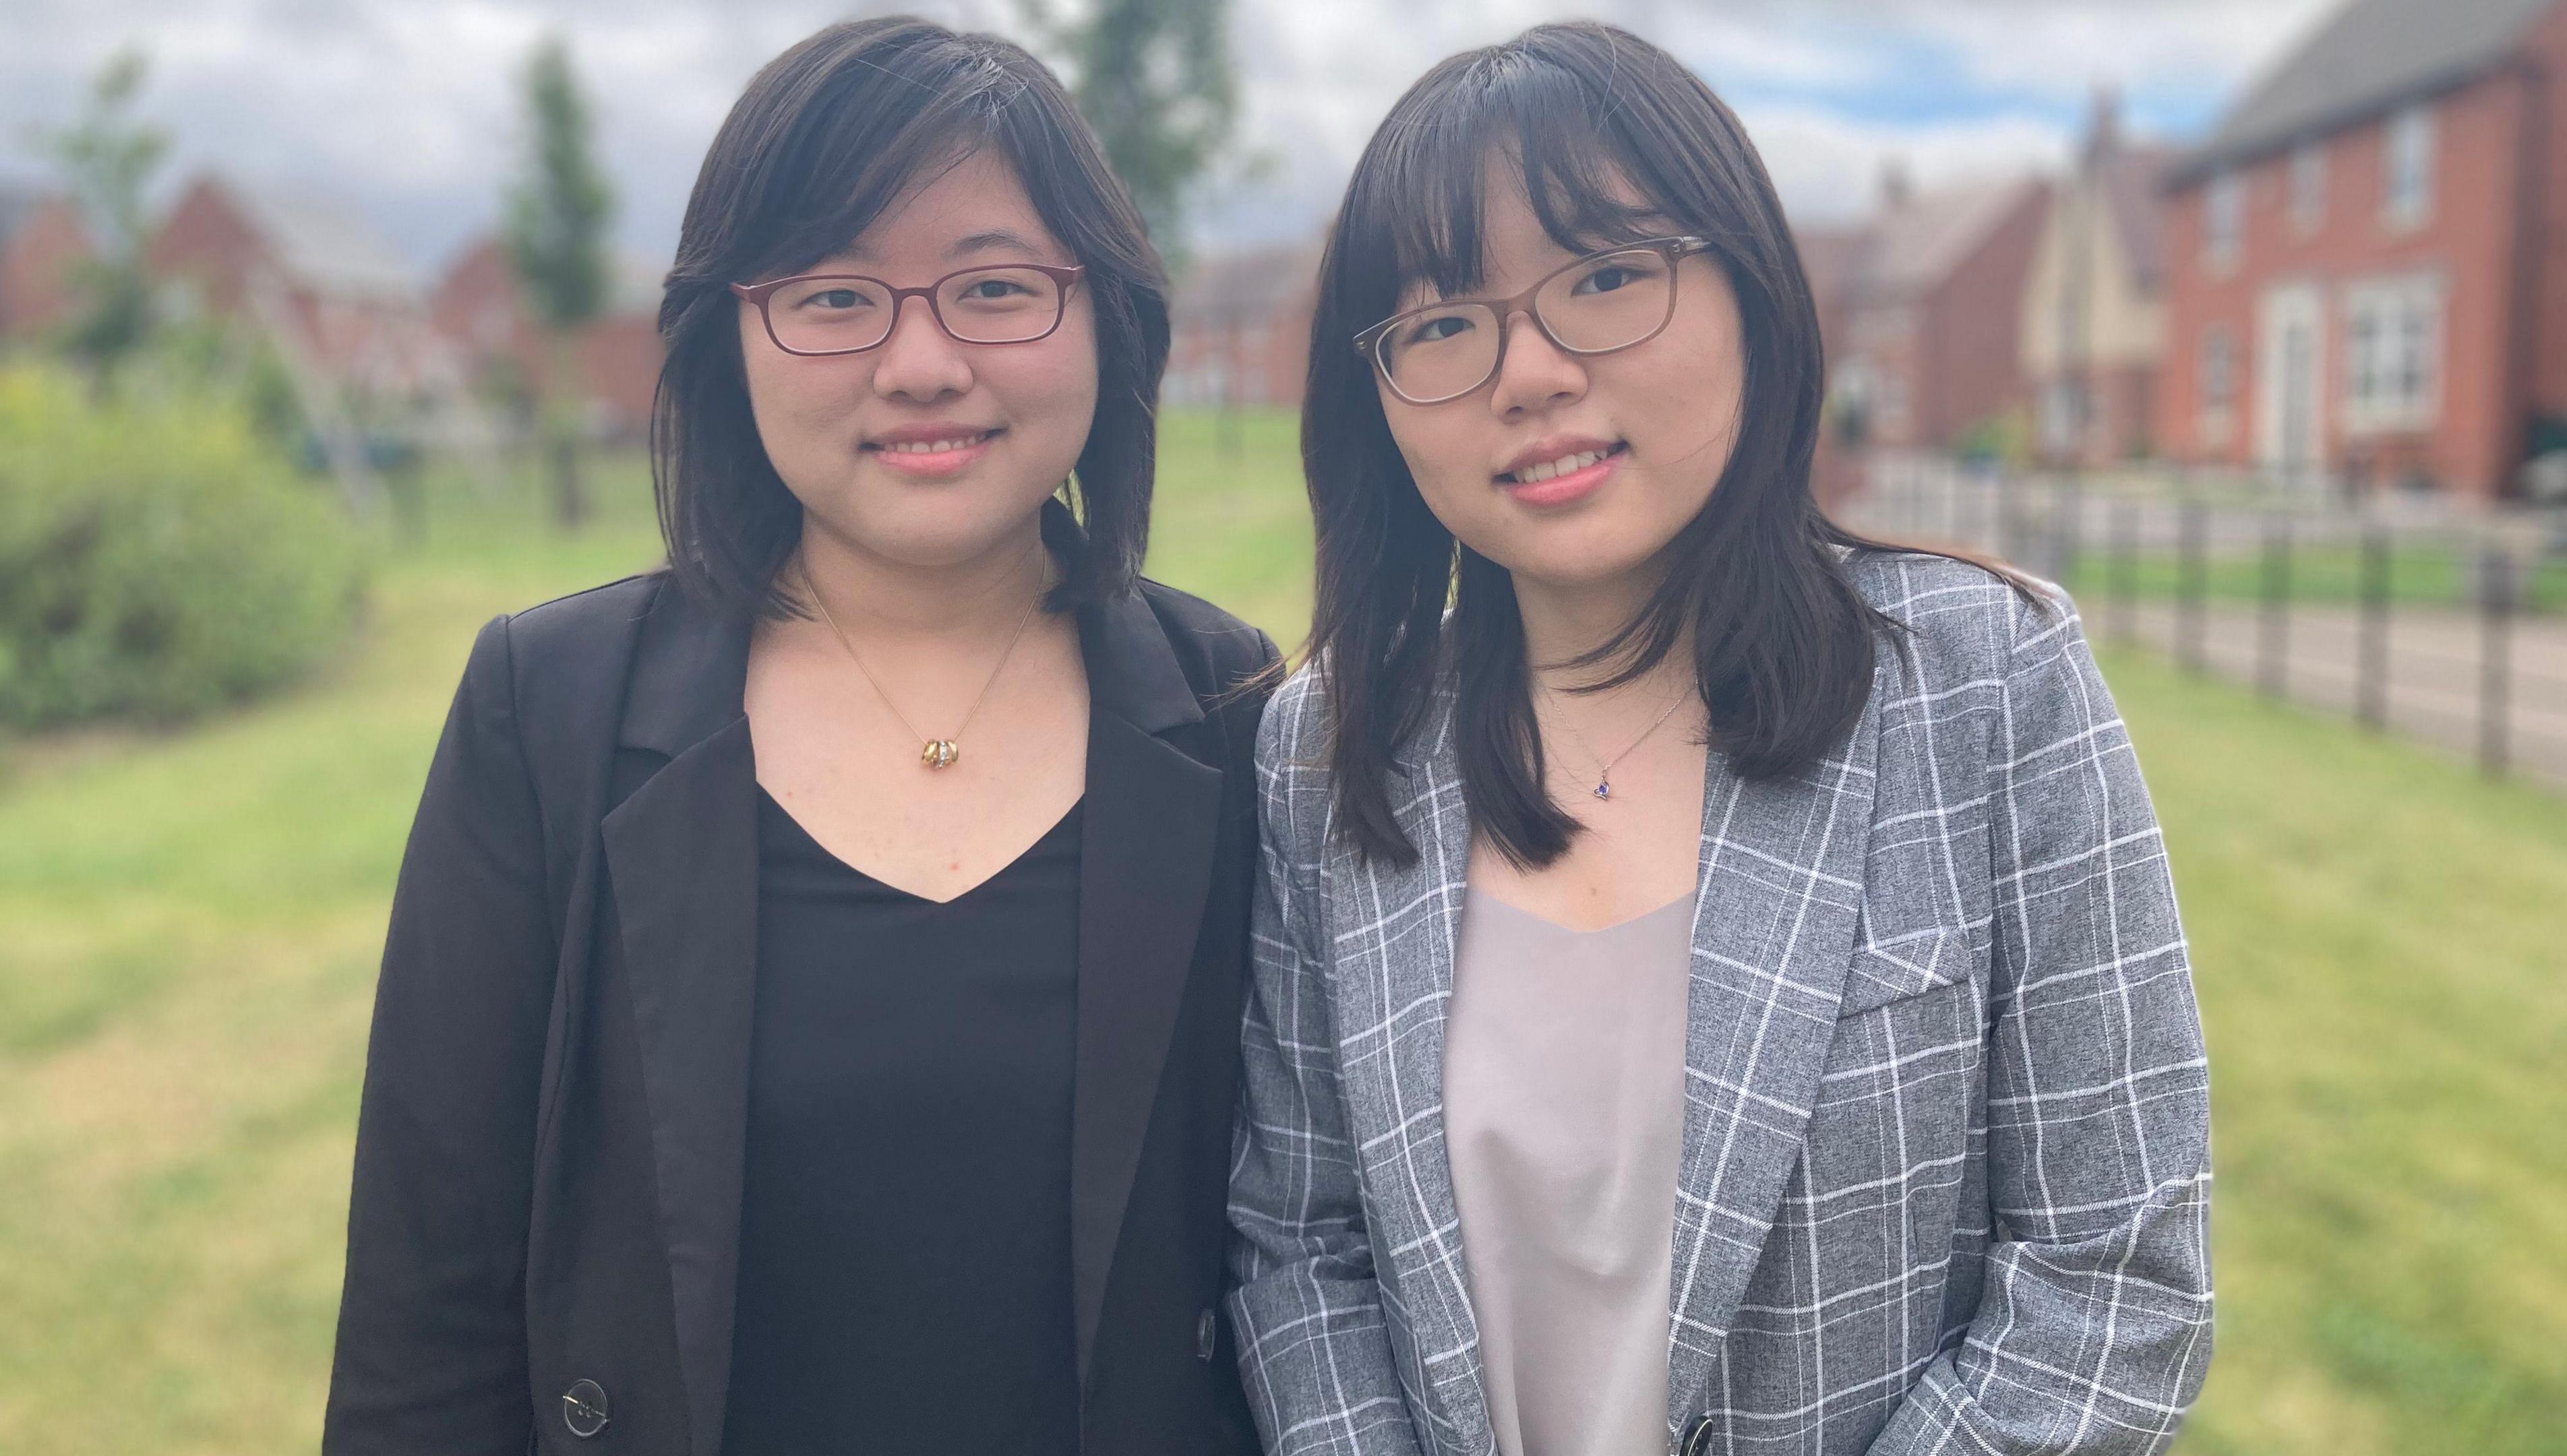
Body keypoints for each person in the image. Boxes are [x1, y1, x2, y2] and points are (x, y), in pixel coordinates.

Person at [1226, 22, 2211, 1456]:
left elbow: (2111, 1286)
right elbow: (1297, 1255)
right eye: (1442, 323)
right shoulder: (1328, 750)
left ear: (1750, 290)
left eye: (1607, 277)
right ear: (1376, 397)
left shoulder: (1987, 683)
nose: (1531, 373)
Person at [325, 19, 1271, 1455]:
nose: (921, 362)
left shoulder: (1239, 713)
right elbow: (428, 1323)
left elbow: (1310, 1256)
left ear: (1107, 318)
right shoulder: (549, 711)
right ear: (730, 341)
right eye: (833, 296)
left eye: (996, 286)